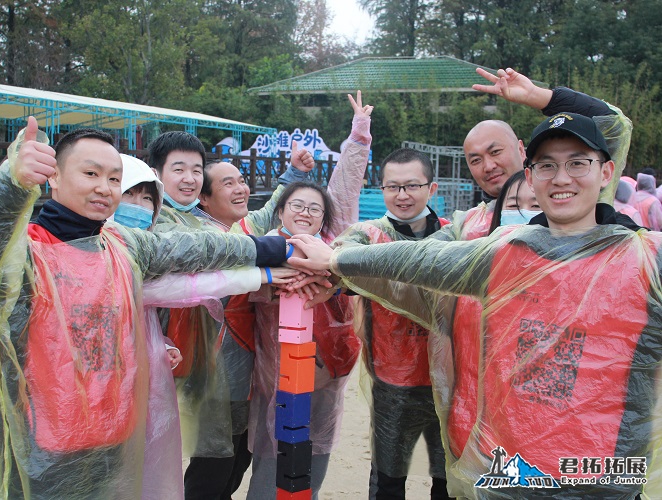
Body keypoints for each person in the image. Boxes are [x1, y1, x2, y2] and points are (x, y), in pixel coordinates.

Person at [288, 112, 656, 499]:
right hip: (504, 466)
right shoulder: (503, 252)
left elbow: (616, 126)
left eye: (578, 163)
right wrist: (335, 265)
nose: (561, 178)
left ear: (606, 172)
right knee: (395, 477)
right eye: (547, 166)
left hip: (599, 479)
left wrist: (545, 99)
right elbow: (412, 263)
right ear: (532, 175)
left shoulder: (642, 259)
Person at [0, 118, 293, 499]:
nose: (103, 188)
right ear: (53, 177)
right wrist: (11, 185)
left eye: (113, 179)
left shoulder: (122, 245)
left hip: (113, 433)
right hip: (38, 444)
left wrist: (280, 251)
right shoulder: (23, 253)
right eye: (91, 173)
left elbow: (201, 249)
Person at [146, 126, 317, 499]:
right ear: (157, 175)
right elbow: (206, 252)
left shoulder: (216, 224)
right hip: (195, 365)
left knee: (234, 457)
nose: (189, 178)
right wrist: (265, 267)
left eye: (195, 169)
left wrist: (294, 175)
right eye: (179, 169)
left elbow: (262, 218)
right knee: (211, 464)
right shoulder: (159, 222)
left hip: (233, 367)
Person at [332, 148, 451, 499]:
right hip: (392, 380)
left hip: (451, 379)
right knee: (388, 479)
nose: (402, 195)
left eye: (412, 185)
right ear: (381, 189)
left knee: (448, 480)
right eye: (393, 186)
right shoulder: (367, 236)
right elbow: (337, 258)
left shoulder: (456, 235)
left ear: (432, 189)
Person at [245, 181, 363, 500]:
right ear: (280, 210)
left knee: (314, 459)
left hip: (325, 375)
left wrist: (333, 281)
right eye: (297, 205)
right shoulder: (263, 247)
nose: (305, 213)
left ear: (323, 218)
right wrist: (274, 279)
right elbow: (245, 290)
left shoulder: (334, 255)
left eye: (314, 209)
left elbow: (355, 290)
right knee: (273, 462)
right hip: (277, 378)